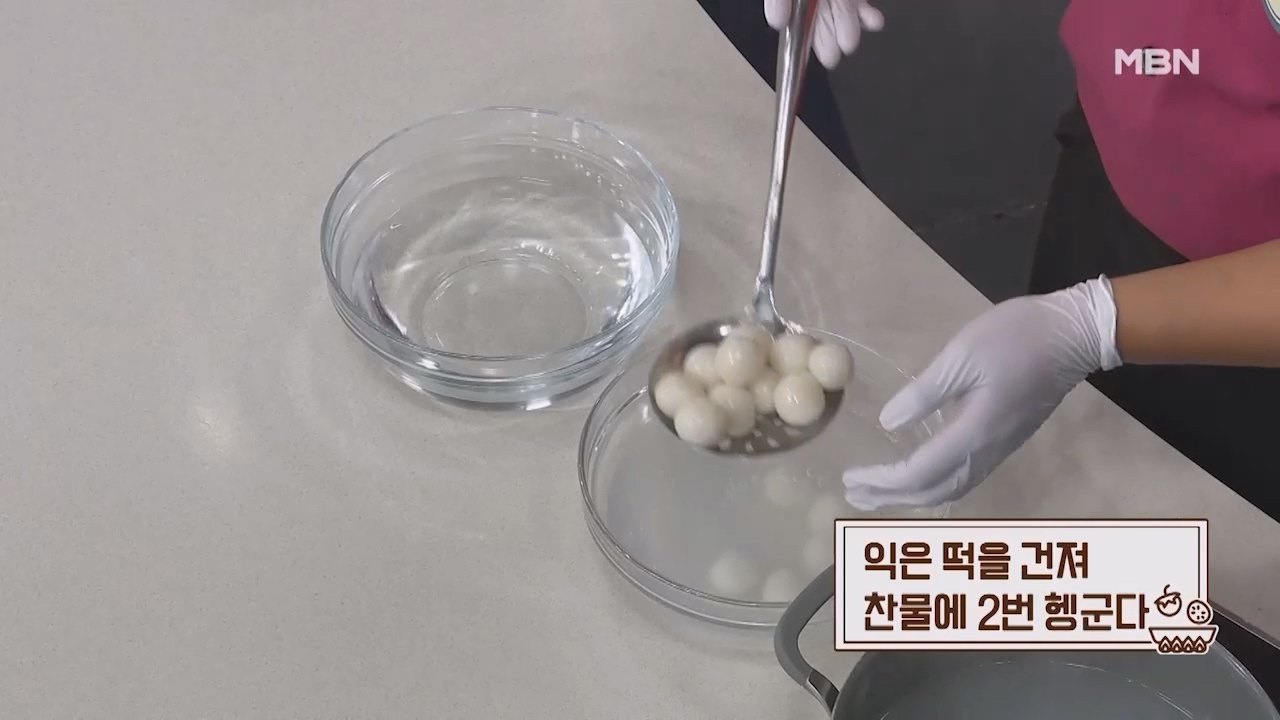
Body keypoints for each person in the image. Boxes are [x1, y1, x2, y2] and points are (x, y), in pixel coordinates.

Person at [764, 0, 1280, 518]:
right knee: (1066, 452)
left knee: (1207, 517)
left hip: (1255, 308)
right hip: (1116, 153)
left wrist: (1095, 324)